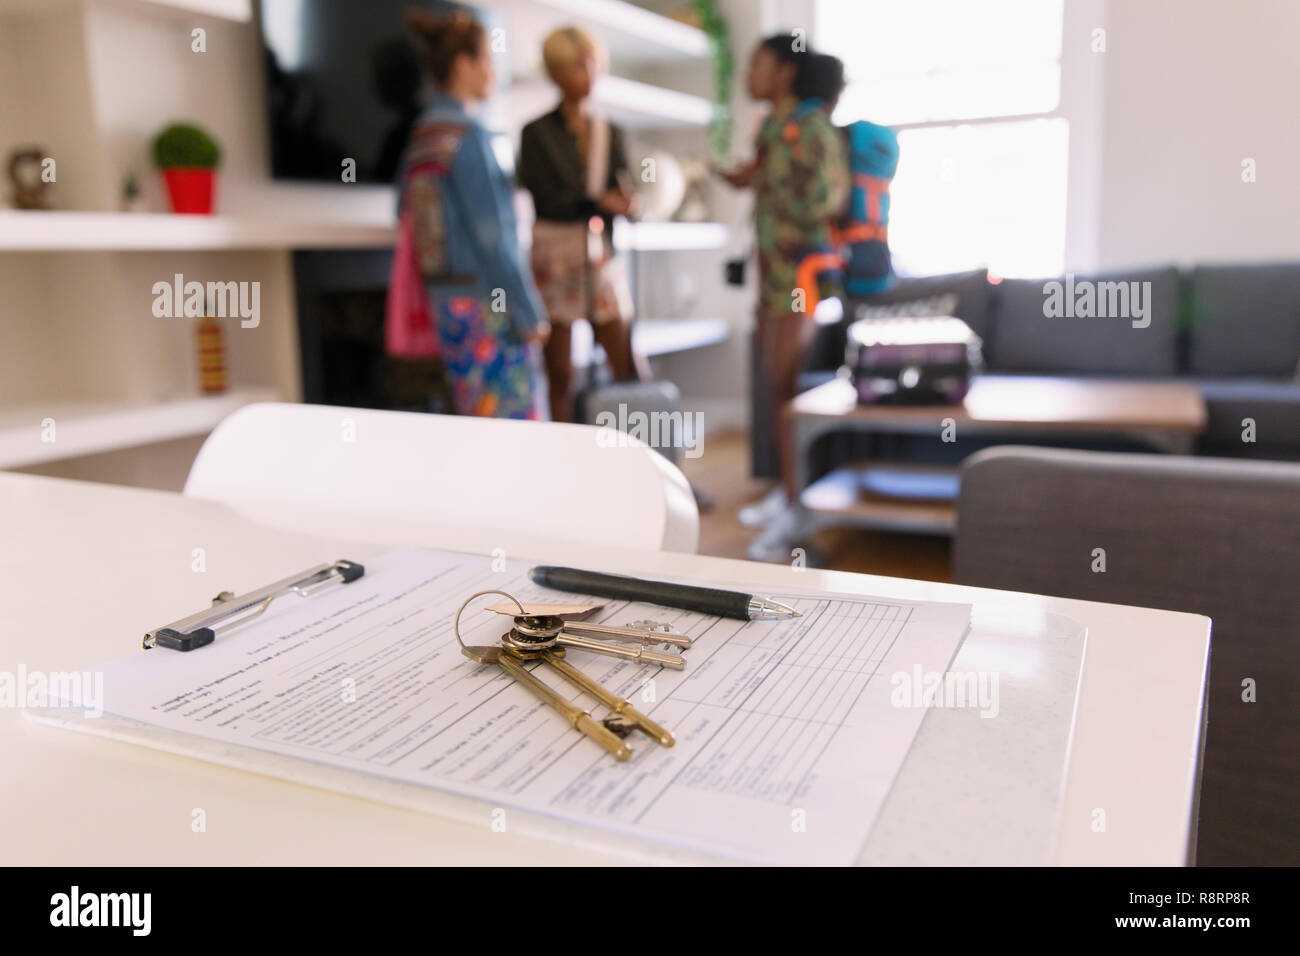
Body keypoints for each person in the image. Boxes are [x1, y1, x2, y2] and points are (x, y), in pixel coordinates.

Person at [717, 35, 850, 519]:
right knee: (776, 383)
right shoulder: (772, 128)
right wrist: (748, 179)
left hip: (800, 276)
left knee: (785, 382)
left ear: (785, 73)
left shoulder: (810, 126)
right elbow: (777, 184)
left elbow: (826, 196)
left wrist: (781, 217)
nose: (749, 76)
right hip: (773, 276)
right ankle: (790, 494)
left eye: (757, 66)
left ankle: (800, 505)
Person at [397, 10, 549, 419]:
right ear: (464, 66)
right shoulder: (470, 136)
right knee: (516, 422)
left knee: (476, 417)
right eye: (486, 60)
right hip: (489, 304)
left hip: (446, 304)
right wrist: (529, 310)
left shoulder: (422, 137)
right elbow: (494, 235)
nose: (492, 72)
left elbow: (403, 214)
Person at [517, 26, 645, 423]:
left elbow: (625, 191)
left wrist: (625, 203)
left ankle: (639, 447)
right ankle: (564, 450)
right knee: (560, 371)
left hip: (600, 255)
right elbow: (544, 196)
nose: (587, 75)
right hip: (555, 257)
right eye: (576, 67)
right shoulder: (536, 133)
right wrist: (593, 202)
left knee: (625, 360)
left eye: (591, 65)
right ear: (555, 73)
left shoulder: (612, 132)